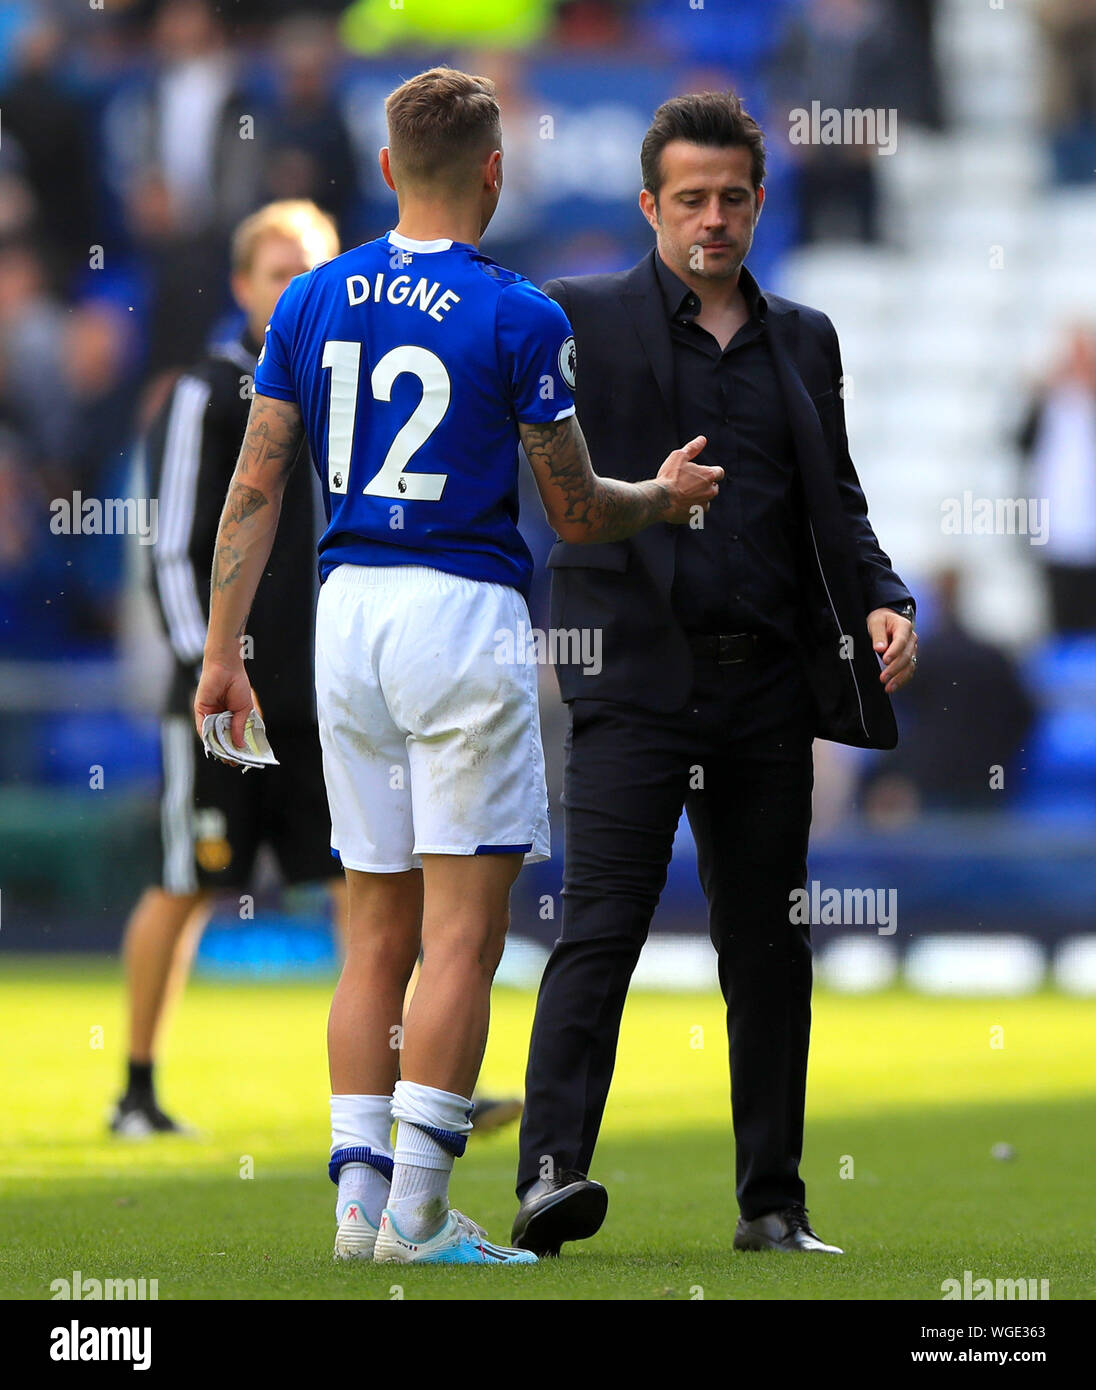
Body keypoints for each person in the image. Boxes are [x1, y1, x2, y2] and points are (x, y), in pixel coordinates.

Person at [193, 66, 721, 1266]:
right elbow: (578, 511)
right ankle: (419, 1219)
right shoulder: (520, 312)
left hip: (343, 620)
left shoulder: (311, 299)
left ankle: (353, 1207)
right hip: (457, 617)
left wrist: (225, 654)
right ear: (495, 170)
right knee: (463, 939)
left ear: (385, 170)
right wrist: (668, 495)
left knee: (371, 930)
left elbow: (256, 486)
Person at [510, 90, 917, 1257]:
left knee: (770, 949)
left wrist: (883, 598)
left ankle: (773, 1205)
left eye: (733, 196)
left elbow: (833, 499)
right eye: (689, 198)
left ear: (758, 202)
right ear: (648, 205)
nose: (713, 217)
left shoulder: (805, 335)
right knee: (600, 930)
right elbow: (547, 475)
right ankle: (549, 1179)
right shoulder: (574, 317)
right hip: (634, 682)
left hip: (763, 688)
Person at [110, 200, 344, 1137]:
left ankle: (415, 1098)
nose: (289, 288)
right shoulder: (208, 391)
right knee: (189, 880)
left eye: (307, 271)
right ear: (244, 285)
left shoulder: (341, 388)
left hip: (319, 699)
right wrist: (204, 664)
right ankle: (135, 1090)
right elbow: (172, 547)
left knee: (359, 885)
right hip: (219, 700)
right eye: (274, 271)